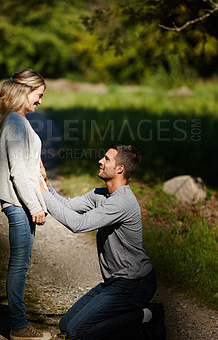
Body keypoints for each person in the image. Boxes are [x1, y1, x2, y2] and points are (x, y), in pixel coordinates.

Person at [39, 144, 166, 340]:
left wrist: (43, 194)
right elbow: (68, 205)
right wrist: (47, 186)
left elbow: (78, 224)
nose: (100, 161)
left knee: (78, 332)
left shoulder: (122, 202)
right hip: (115, 282)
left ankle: (148, 316)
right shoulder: (101, 194)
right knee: (66, 325)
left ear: (120, 169)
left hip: (134, 283)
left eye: (107, 159)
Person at [0, 68, 51, 340]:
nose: (40, 101)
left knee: (22, 263)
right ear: (26, 91)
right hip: (19, 204)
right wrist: (35, 207)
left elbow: (23, 159)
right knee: (19, 265)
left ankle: (19, 323)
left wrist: (38, 164)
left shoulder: (18, 121)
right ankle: (18, 327)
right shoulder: (16, 122)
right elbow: (16, 171)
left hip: (21, 203)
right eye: (38, 95)